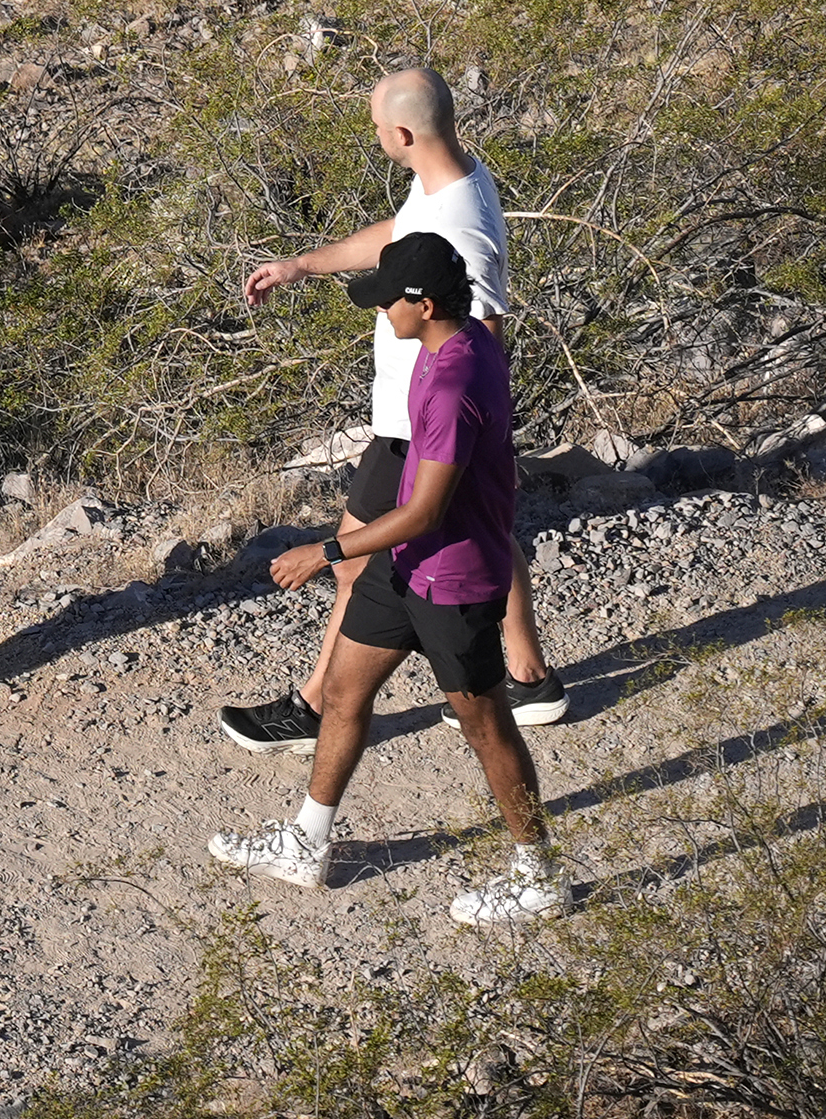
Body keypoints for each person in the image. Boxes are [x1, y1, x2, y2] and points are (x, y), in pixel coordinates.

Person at [210, 232, 566, 926]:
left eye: (386, 304)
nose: (380, 314)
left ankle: (539, 875)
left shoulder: (460, 378)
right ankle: (306, 844)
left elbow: (426, 510)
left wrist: (328, 551)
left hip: (454, 579)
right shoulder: (449, 342)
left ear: (425, 303)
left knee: (486, 726)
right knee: (343, 692)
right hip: (404, 567)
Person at [217, 66, 566, 755]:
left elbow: (486, 327)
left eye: (378, 128)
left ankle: (315, 706)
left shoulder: (462, 229)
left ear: (402, 134)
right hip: (424, 419)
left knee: (351, 563)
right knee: (487, 524)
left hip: (419, 425)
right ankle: (527, 676)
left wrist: (484, 436)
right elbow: (402, 234)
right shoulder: (449, 179)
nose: (376, 136)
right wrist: (303, 266)